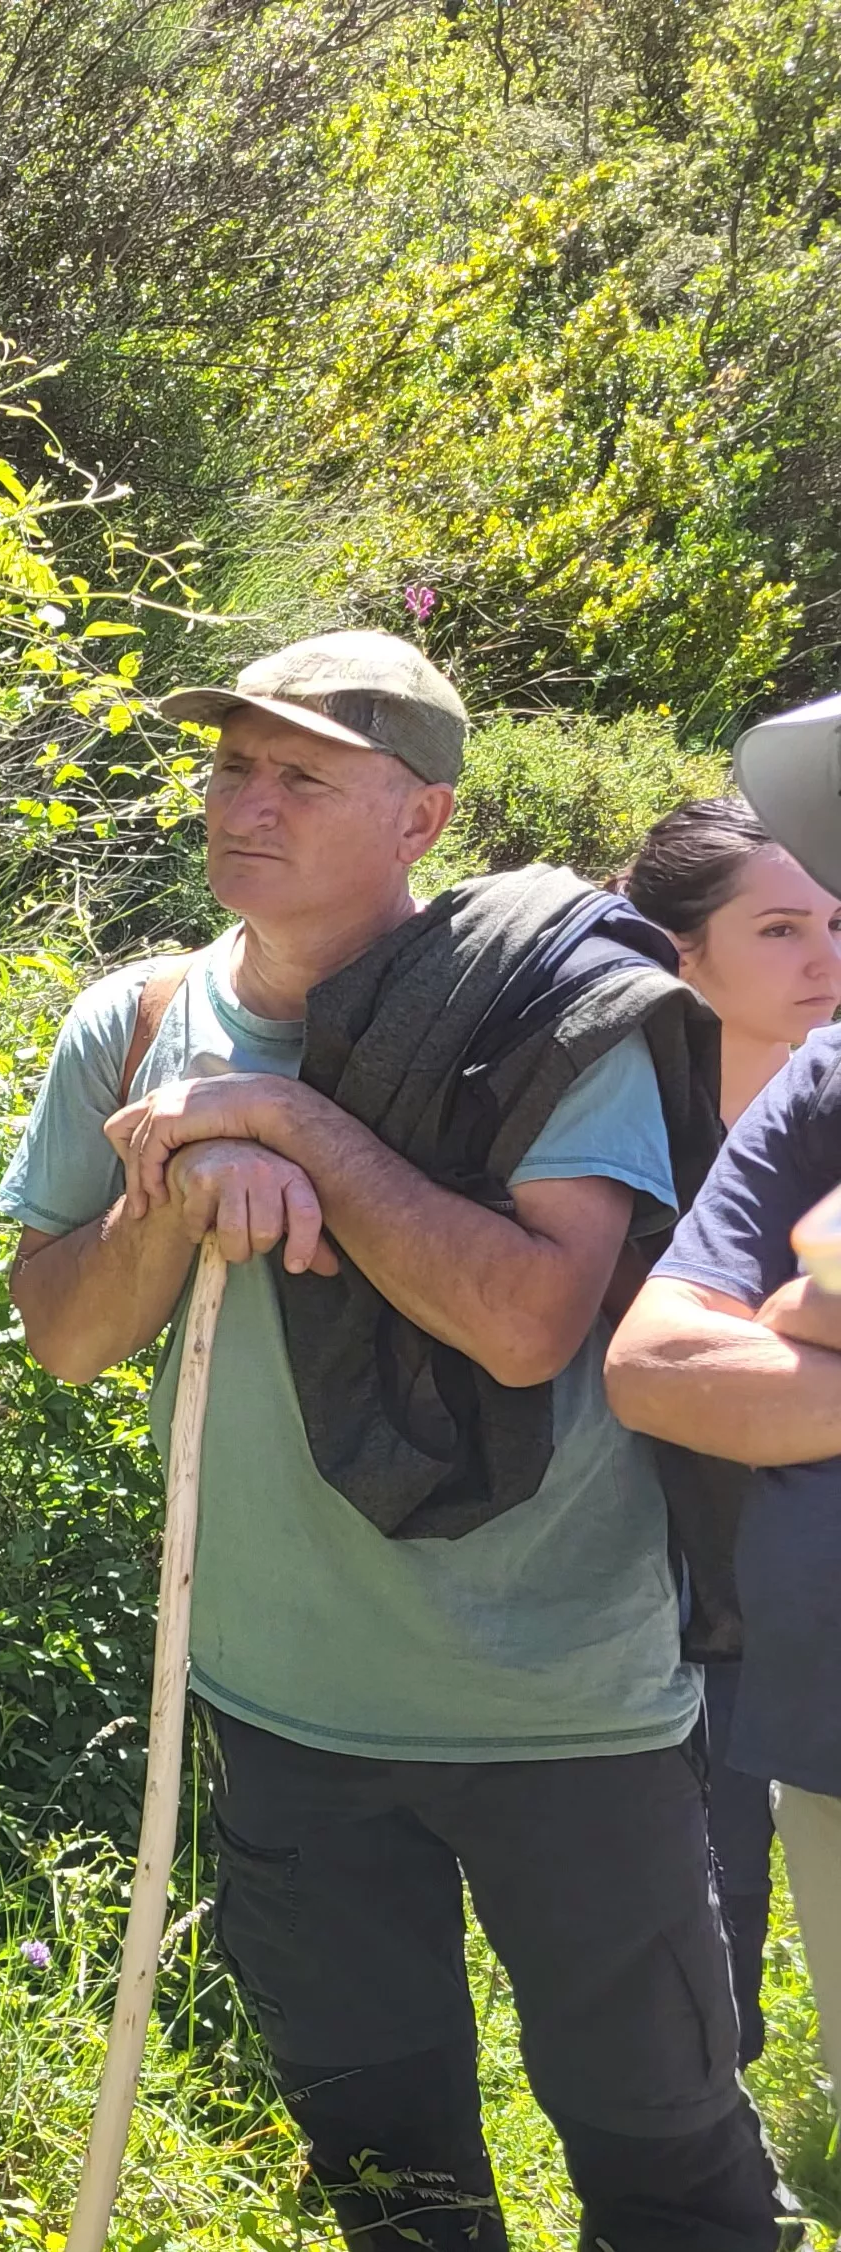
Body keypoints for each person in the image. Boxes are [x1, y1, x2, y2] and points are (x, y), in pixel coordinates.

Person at [0, 629, 784, 2250]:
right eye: (232, 767)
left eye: (304, 776)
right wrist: (179, 1194)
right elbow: (68, 1336)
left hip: (569, 1706)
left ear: (422, 817)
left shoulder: (553, 1014)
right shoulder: (137, 1023)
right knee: (390, 2177)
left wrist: (291, 1123)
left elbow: (527, 1320)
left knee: (668, 2159)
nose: (247, 805)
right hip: (286, 1706)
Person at [612, 695, 841, 2133]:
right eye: (781, 929)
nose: (825, 959)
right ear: (682, 958)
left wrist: (800, 1311)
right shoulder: (632, 1125)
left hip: (774, 1588)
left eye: (834, 923)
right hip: (705, 1605)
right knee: (711, 1897)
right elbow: (655, 1362)